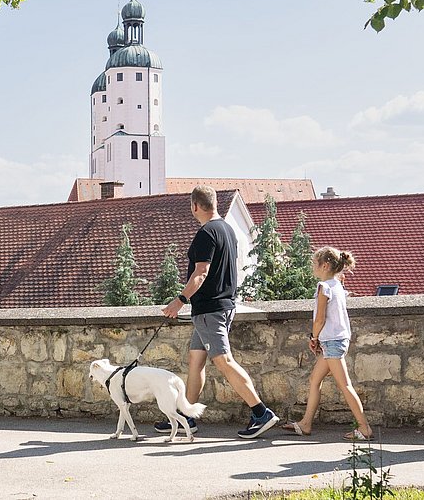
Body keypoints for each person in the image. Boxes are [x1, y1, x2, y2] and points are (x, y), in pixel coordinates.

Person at [160, 185, 280, 439]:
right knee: (196, 360)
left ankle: (261, 412)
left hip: (209, 310)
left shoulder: (205, 233)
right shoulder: (227, 230)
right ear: (213, 203)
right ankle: (186, 417)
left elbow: (200, 273)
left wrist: (179, 301)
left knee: (223, 361)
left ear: (194, 206)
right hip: (224, 306)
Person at [281, 247, 374, 441]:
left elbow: (320, 319)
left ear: (325, 265)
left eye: (315, 264)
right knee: (315, 380)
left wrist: (313, 338)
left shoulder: (324, 287)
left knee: (345, 385)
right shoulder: (337, 284)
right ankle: (306, 423)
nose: (313, 267)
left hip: (331, 342)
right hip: (335, 340)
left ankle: (364, 428)